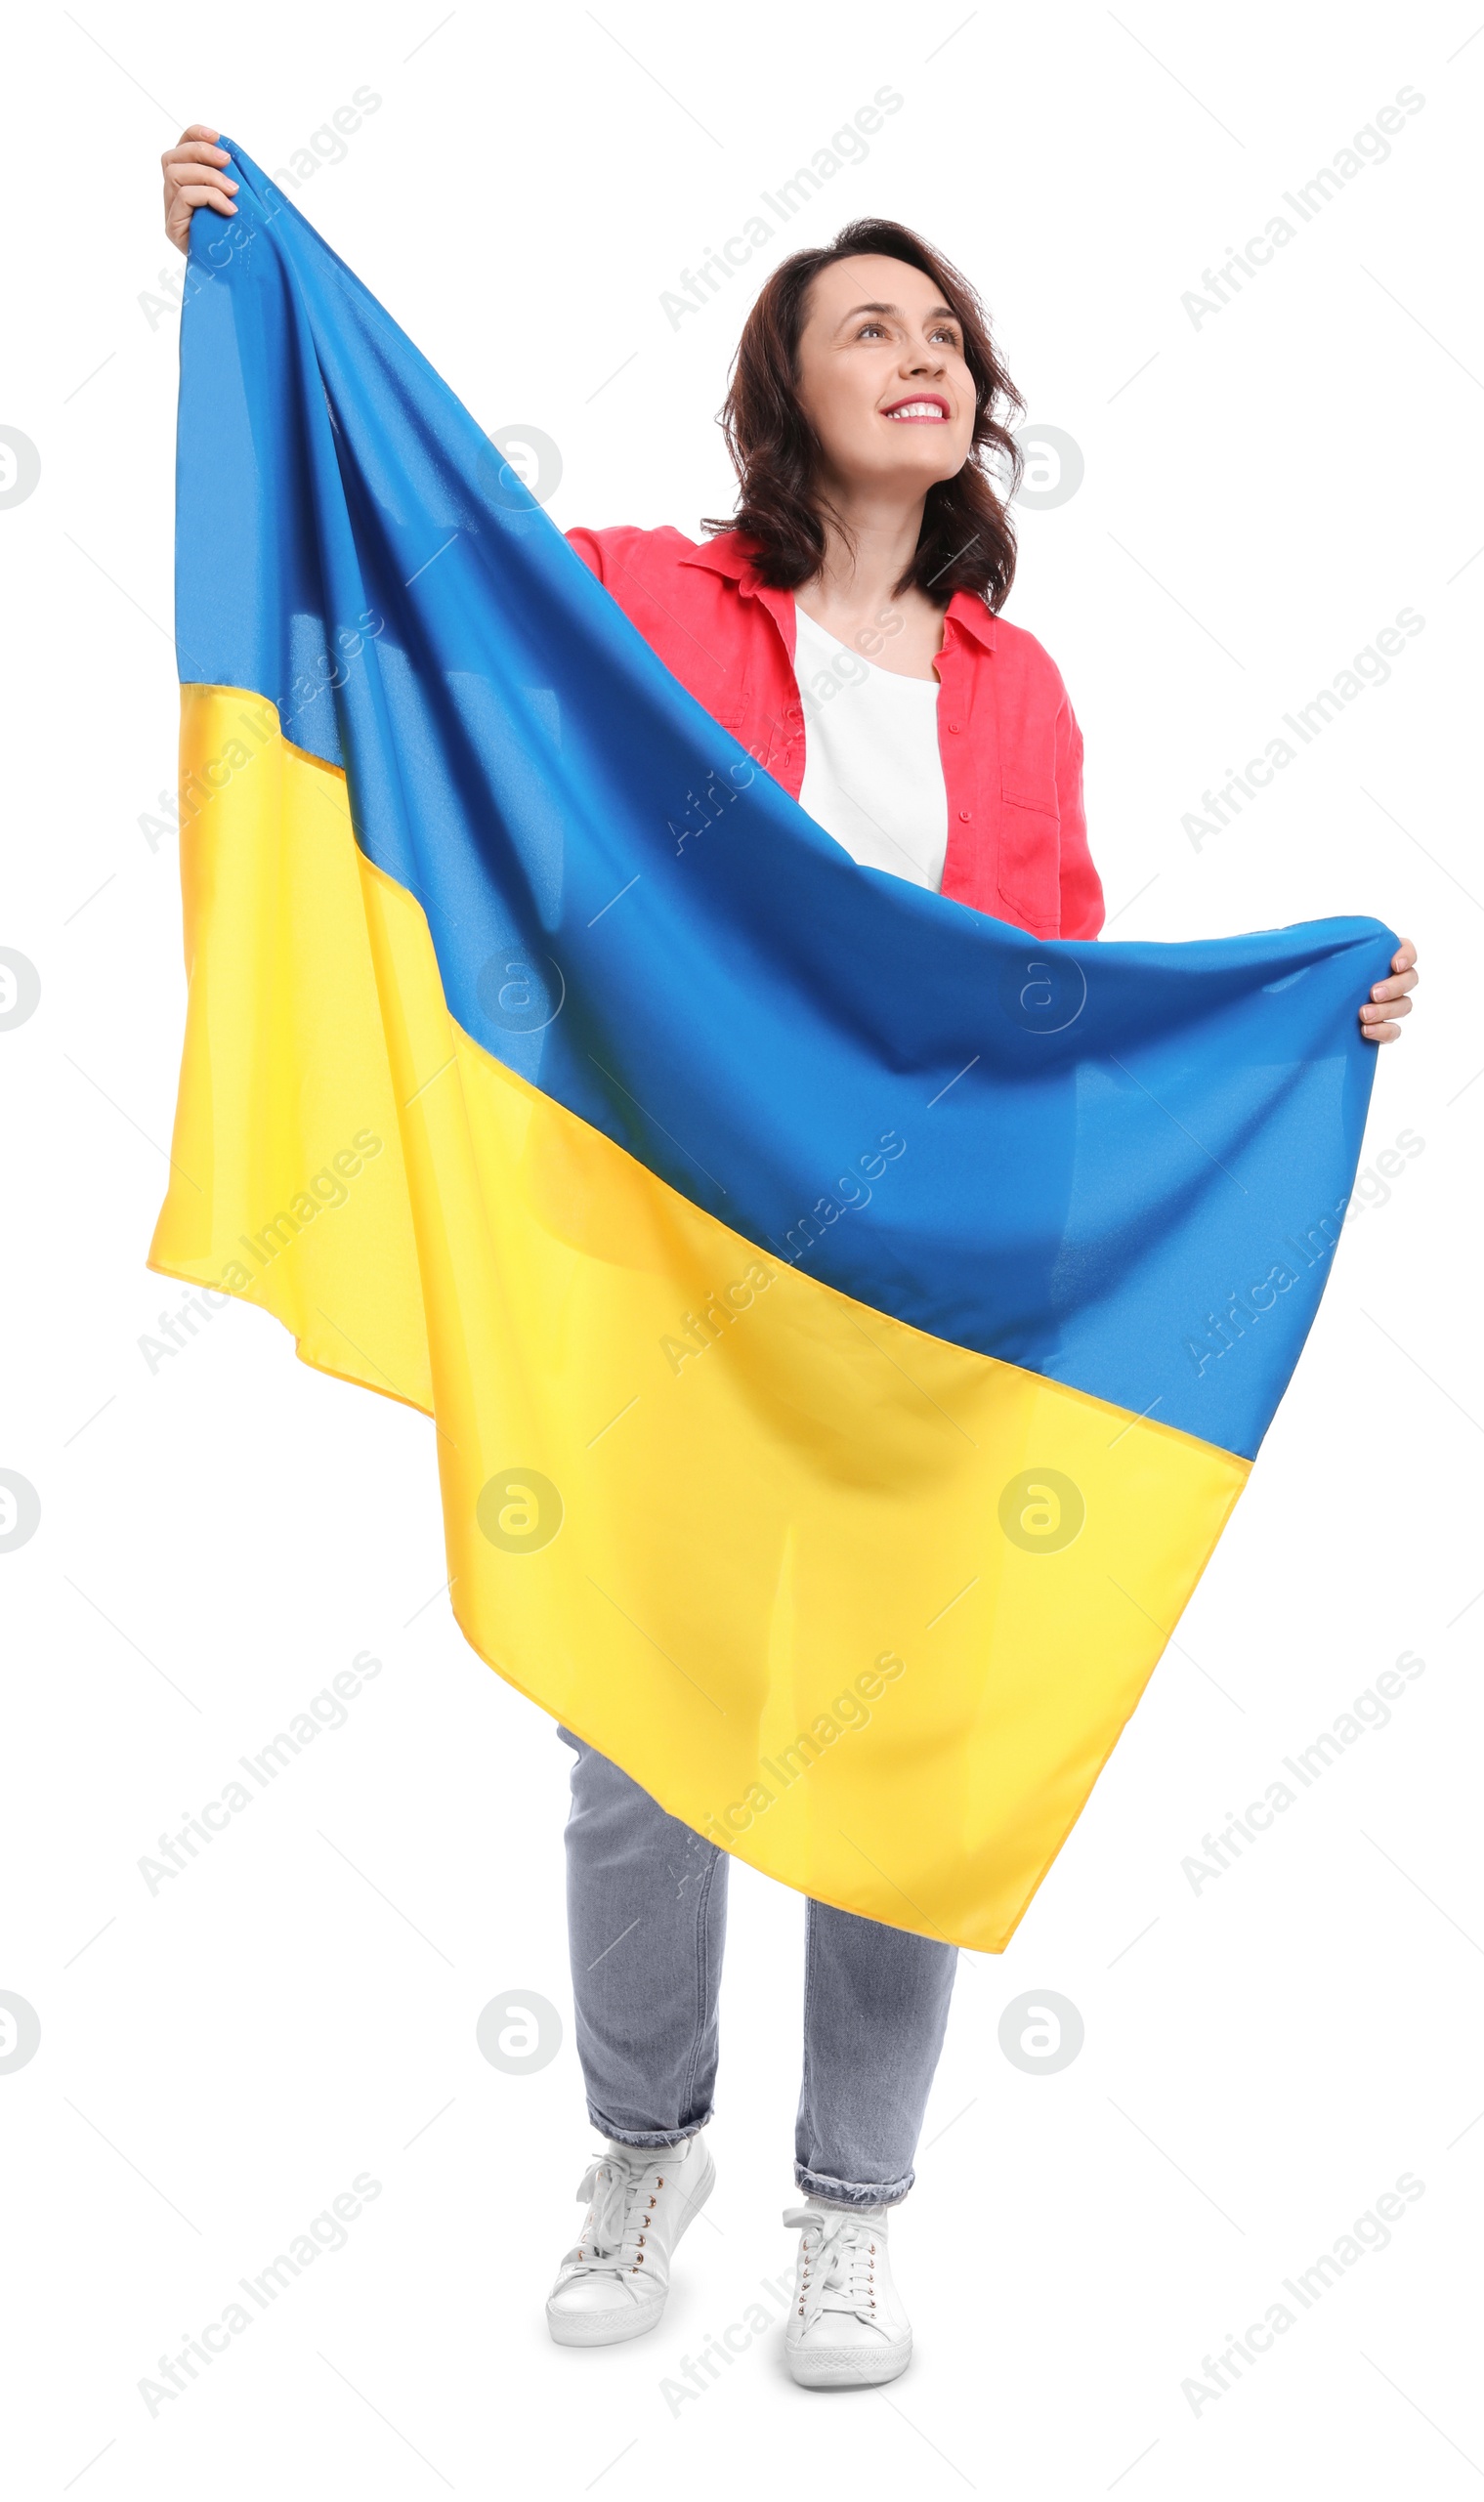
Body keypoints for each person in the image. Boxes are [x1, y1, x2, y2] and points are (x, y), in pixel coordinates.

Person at [163, 128, 1420, 2391]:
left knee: (890, 1749)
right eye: (873, 327)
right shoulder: (652, 595)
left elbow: (1055, 982)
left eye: (944, 335)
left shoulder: (1013, 688)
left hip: (933, 1296)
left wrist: (1282, 1022)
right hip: (671, 1284)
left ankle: (851, 2213)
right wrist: (269, 292)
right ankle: (641, 2149)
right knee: (645, 1741)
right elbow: (426, 565)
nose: (920, 358)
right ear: (787, 388)